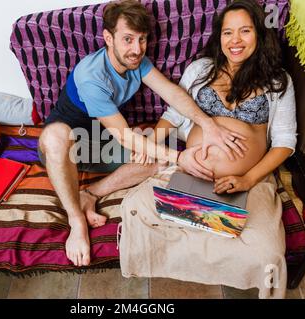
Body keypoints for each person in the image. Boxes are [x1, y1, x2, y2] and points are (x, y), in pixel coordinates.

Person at [38, 0, 247, 267]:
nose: (136, 49)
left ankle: (90, 194)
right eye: (127, 39)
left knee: (157, 157)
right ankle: (76, 220)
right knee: (56, 137)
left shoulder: (138, 62)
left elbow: (172, 93)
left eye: (142, 39)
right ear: (108, 38)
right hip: (68, 146)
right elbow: (125, 136)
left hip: (102, 140)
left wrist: (207, 124)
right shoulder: (92, 76)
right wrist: (179, 157)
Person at [118, 0, 297, 298]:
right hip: (190, 169)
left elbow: (284, 142)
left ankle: (210, 226)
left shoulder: (278, 81)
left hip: (246, 183)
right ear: (219, 36)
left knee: (268, 253)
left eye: (245, 31)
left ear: (260, 34)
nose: (235, 41)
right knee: (135, 210)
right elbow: (174, 115)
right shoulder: (201, 69)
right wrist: (151, 143)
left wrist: (247, 179)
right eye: (228, 33)